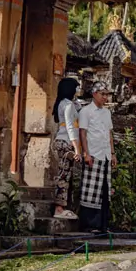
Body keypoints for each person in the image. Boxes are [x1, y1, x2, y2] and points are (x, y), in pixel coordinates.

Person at [78, 81, 115, 233]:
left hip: (105, 154)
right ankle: (90, 224)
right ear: (94, 94)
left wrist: (113, 153)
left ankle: (103, 225)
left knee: (104, 190)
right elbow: (83, 133)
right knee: (91, 190)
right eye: (103, 94)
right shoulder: (86, 111)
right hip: (93, 153)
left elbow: (109, 133)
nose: (105, 97)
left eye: (107, 94)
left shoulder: (107, 113)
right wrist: (86, 153)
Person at [52, 78, 82, 220]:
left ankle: (63, 206)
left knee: (65, 173)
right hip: (66, 142)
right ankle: (59, 208)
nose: (78, 90)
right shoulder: (68, 105)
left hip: (62, 141)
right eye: (76, 88)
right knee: (64, 175)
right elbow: (70, 127)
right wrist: (77, 148)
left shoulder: (64, 103)